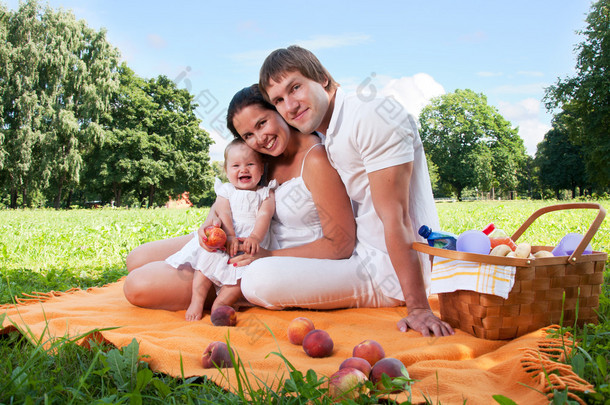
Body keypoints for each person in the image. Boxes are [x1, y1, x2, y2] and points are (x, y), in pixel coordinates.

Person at [256, 45, 454, 337]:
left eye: (295, 88)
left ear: (322, 78)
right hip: (361, 256)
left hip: (387, 274)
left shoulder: (371, 116)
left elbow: (396, 218)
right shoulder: (330, 132)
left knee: (258, 279)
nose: (290, 106)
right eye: (279, 100)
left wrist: (419, 308)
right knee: (250, 263)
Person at [123, 84, 372, 313]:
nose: (259, 138)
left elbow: (341, 244)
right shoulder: (266, 155)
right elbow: (233, 193)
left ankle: (235, 293)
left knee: (137, 286)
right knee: (136, 258)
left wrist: (266, 257)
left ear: (278, 109)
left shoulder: (315, 160)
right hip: (237, 237)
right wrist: (212, 222)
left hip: (266, 254)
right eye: (248, 135)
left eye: (262, 123)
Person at [164, 139, 275, 321]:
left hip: (250, 244)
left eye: (250, 164)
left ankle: (221, 303)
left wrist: (255, 237)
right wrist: (230, 234)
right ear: (226, 170)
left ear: (262, 169)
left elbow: (265, 216)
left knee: (241, 276)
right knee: (204, 266)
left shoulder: (265, 193)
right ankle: (197, 300)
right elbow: (223, 211)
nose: (243, 169)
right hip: (224, 240)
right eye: (236, 165)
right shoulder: (226, 190)